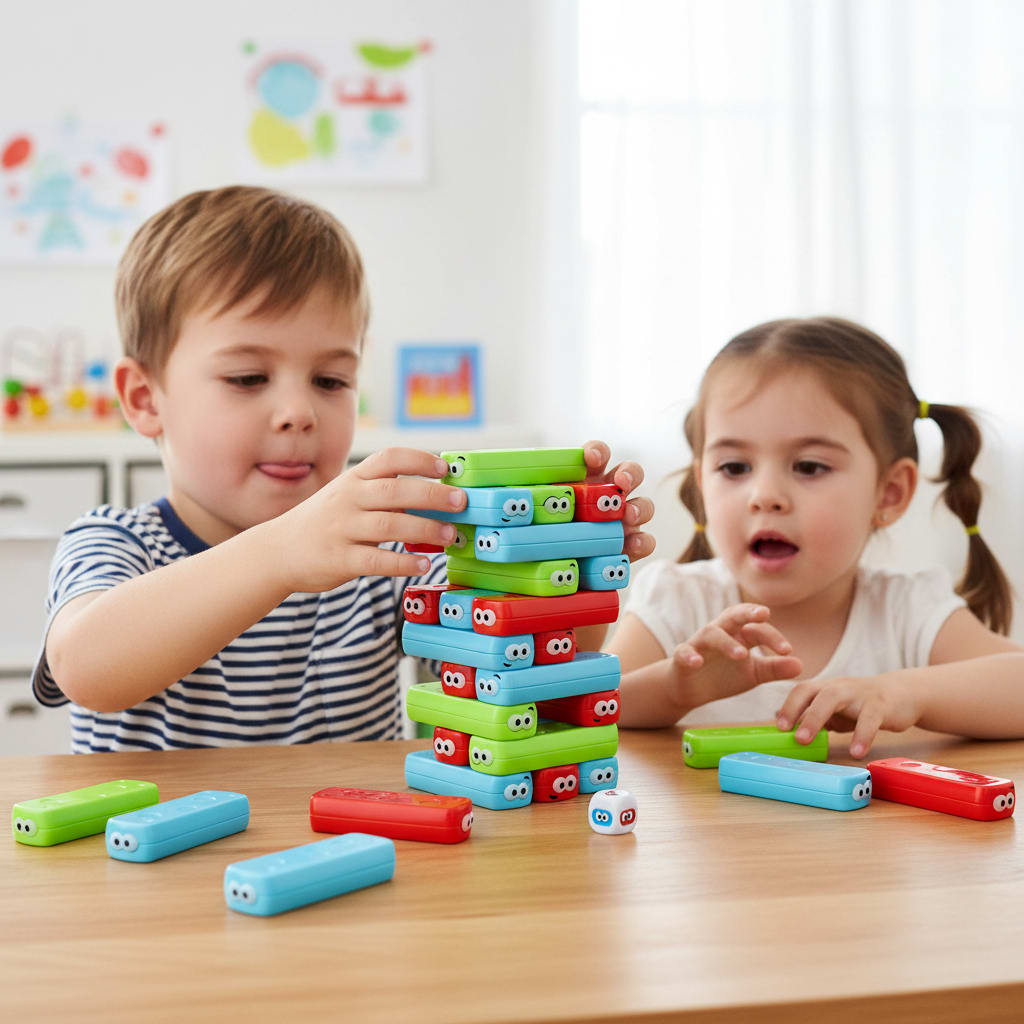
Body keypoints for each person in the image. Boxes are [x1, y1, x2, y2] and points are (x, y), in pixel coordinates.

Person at [34, 185, 654, 752]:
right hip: (156, 867)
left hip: (357, 859)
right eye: (248, 377)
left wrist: (567, 570)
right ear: (145, 399)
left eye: (331, 380)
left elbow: (523, 677)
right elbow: (86, 670)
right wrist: (280, 554)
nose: (300, 412)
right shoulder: (114, 543)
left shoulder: (391, 548)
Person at [609, 315, 1024, 757]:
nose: (764, 496)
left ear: (889, 492)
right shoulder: (677, 601)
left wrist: (905, 692)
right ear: (701, 484)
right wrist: (675, 687)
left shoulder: (908, 611)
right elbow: (579, 707)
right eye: (734, 467)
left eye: (809, 466)